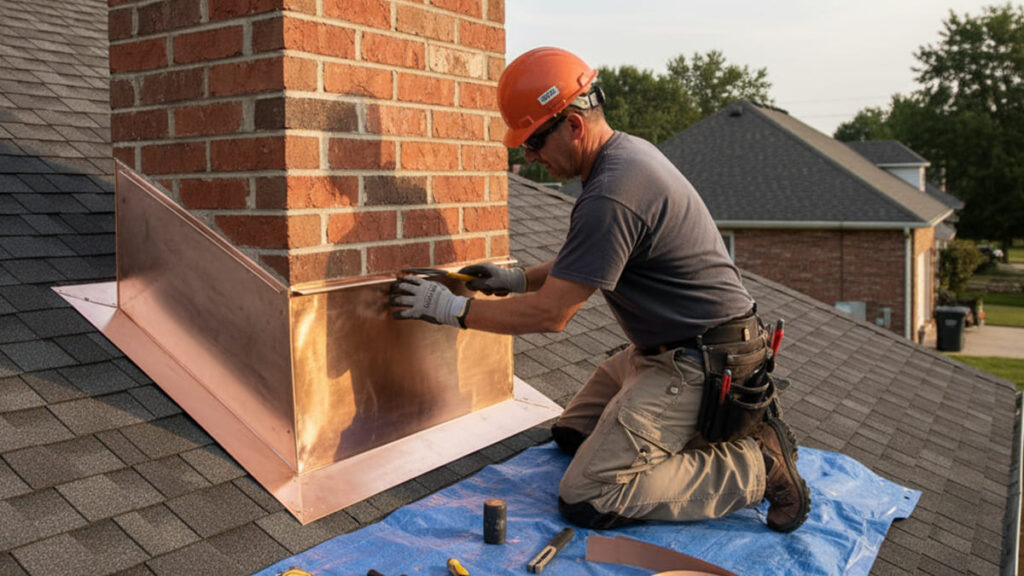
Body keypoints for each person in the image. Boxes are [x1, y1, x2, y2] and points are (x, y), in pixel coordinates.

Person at [388, 47, 810, 533]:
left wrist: (451, 310)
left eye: (534, 141)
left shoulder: (612, 191)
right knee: (571, 434)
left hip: (701, 363)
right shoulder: (625, 156)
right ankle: (698, 434)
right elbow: (588, 259)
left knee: (589, 494)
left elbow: (552, 315)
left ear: (572, 125)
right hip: (672, 350)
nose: (529, 156)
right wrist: (519, 279)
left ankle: (759, 466)